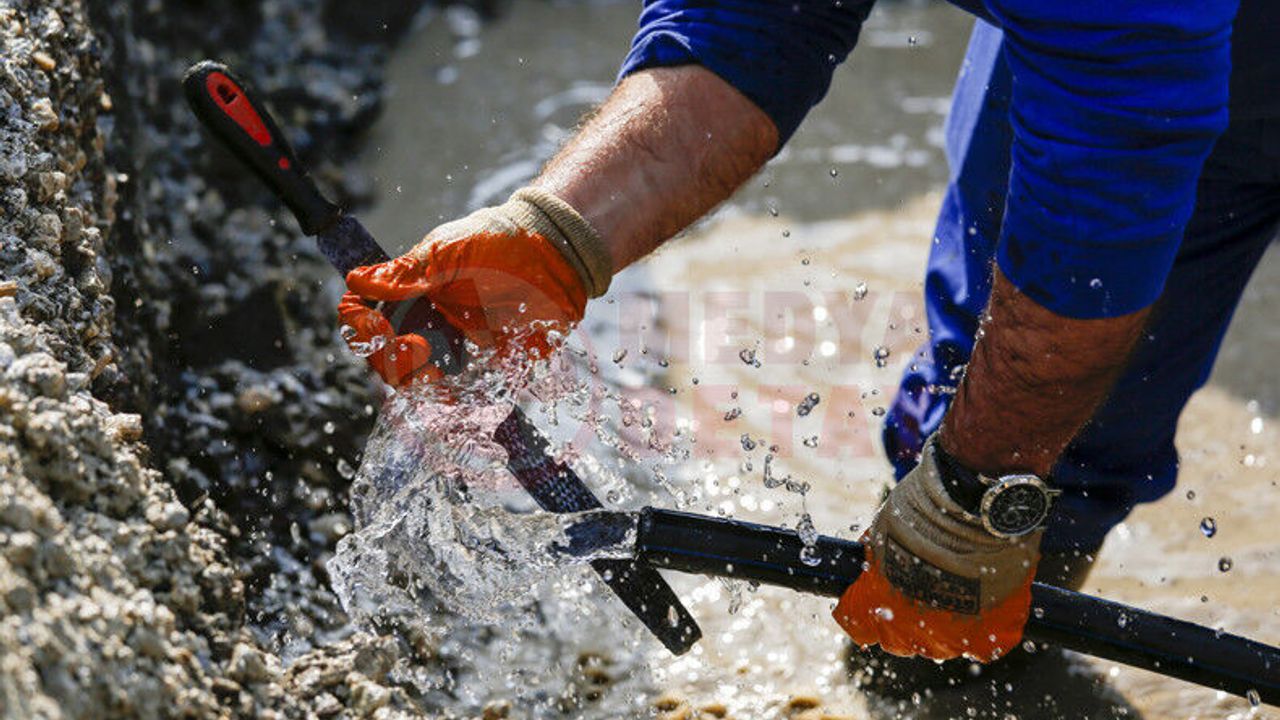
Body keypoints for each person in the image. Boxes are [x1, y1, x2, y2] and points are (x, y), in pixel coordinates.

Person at [339, 0, 1274, 677]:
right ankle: (956, 651)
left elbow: (1100, 220)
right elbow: (751, 24)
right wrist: (554, 238)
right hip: (1126, 42)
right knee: (1006, 434)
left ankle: (993, 589)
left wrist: (978, 494)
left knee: (1012, 469)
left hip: (1148, 38)